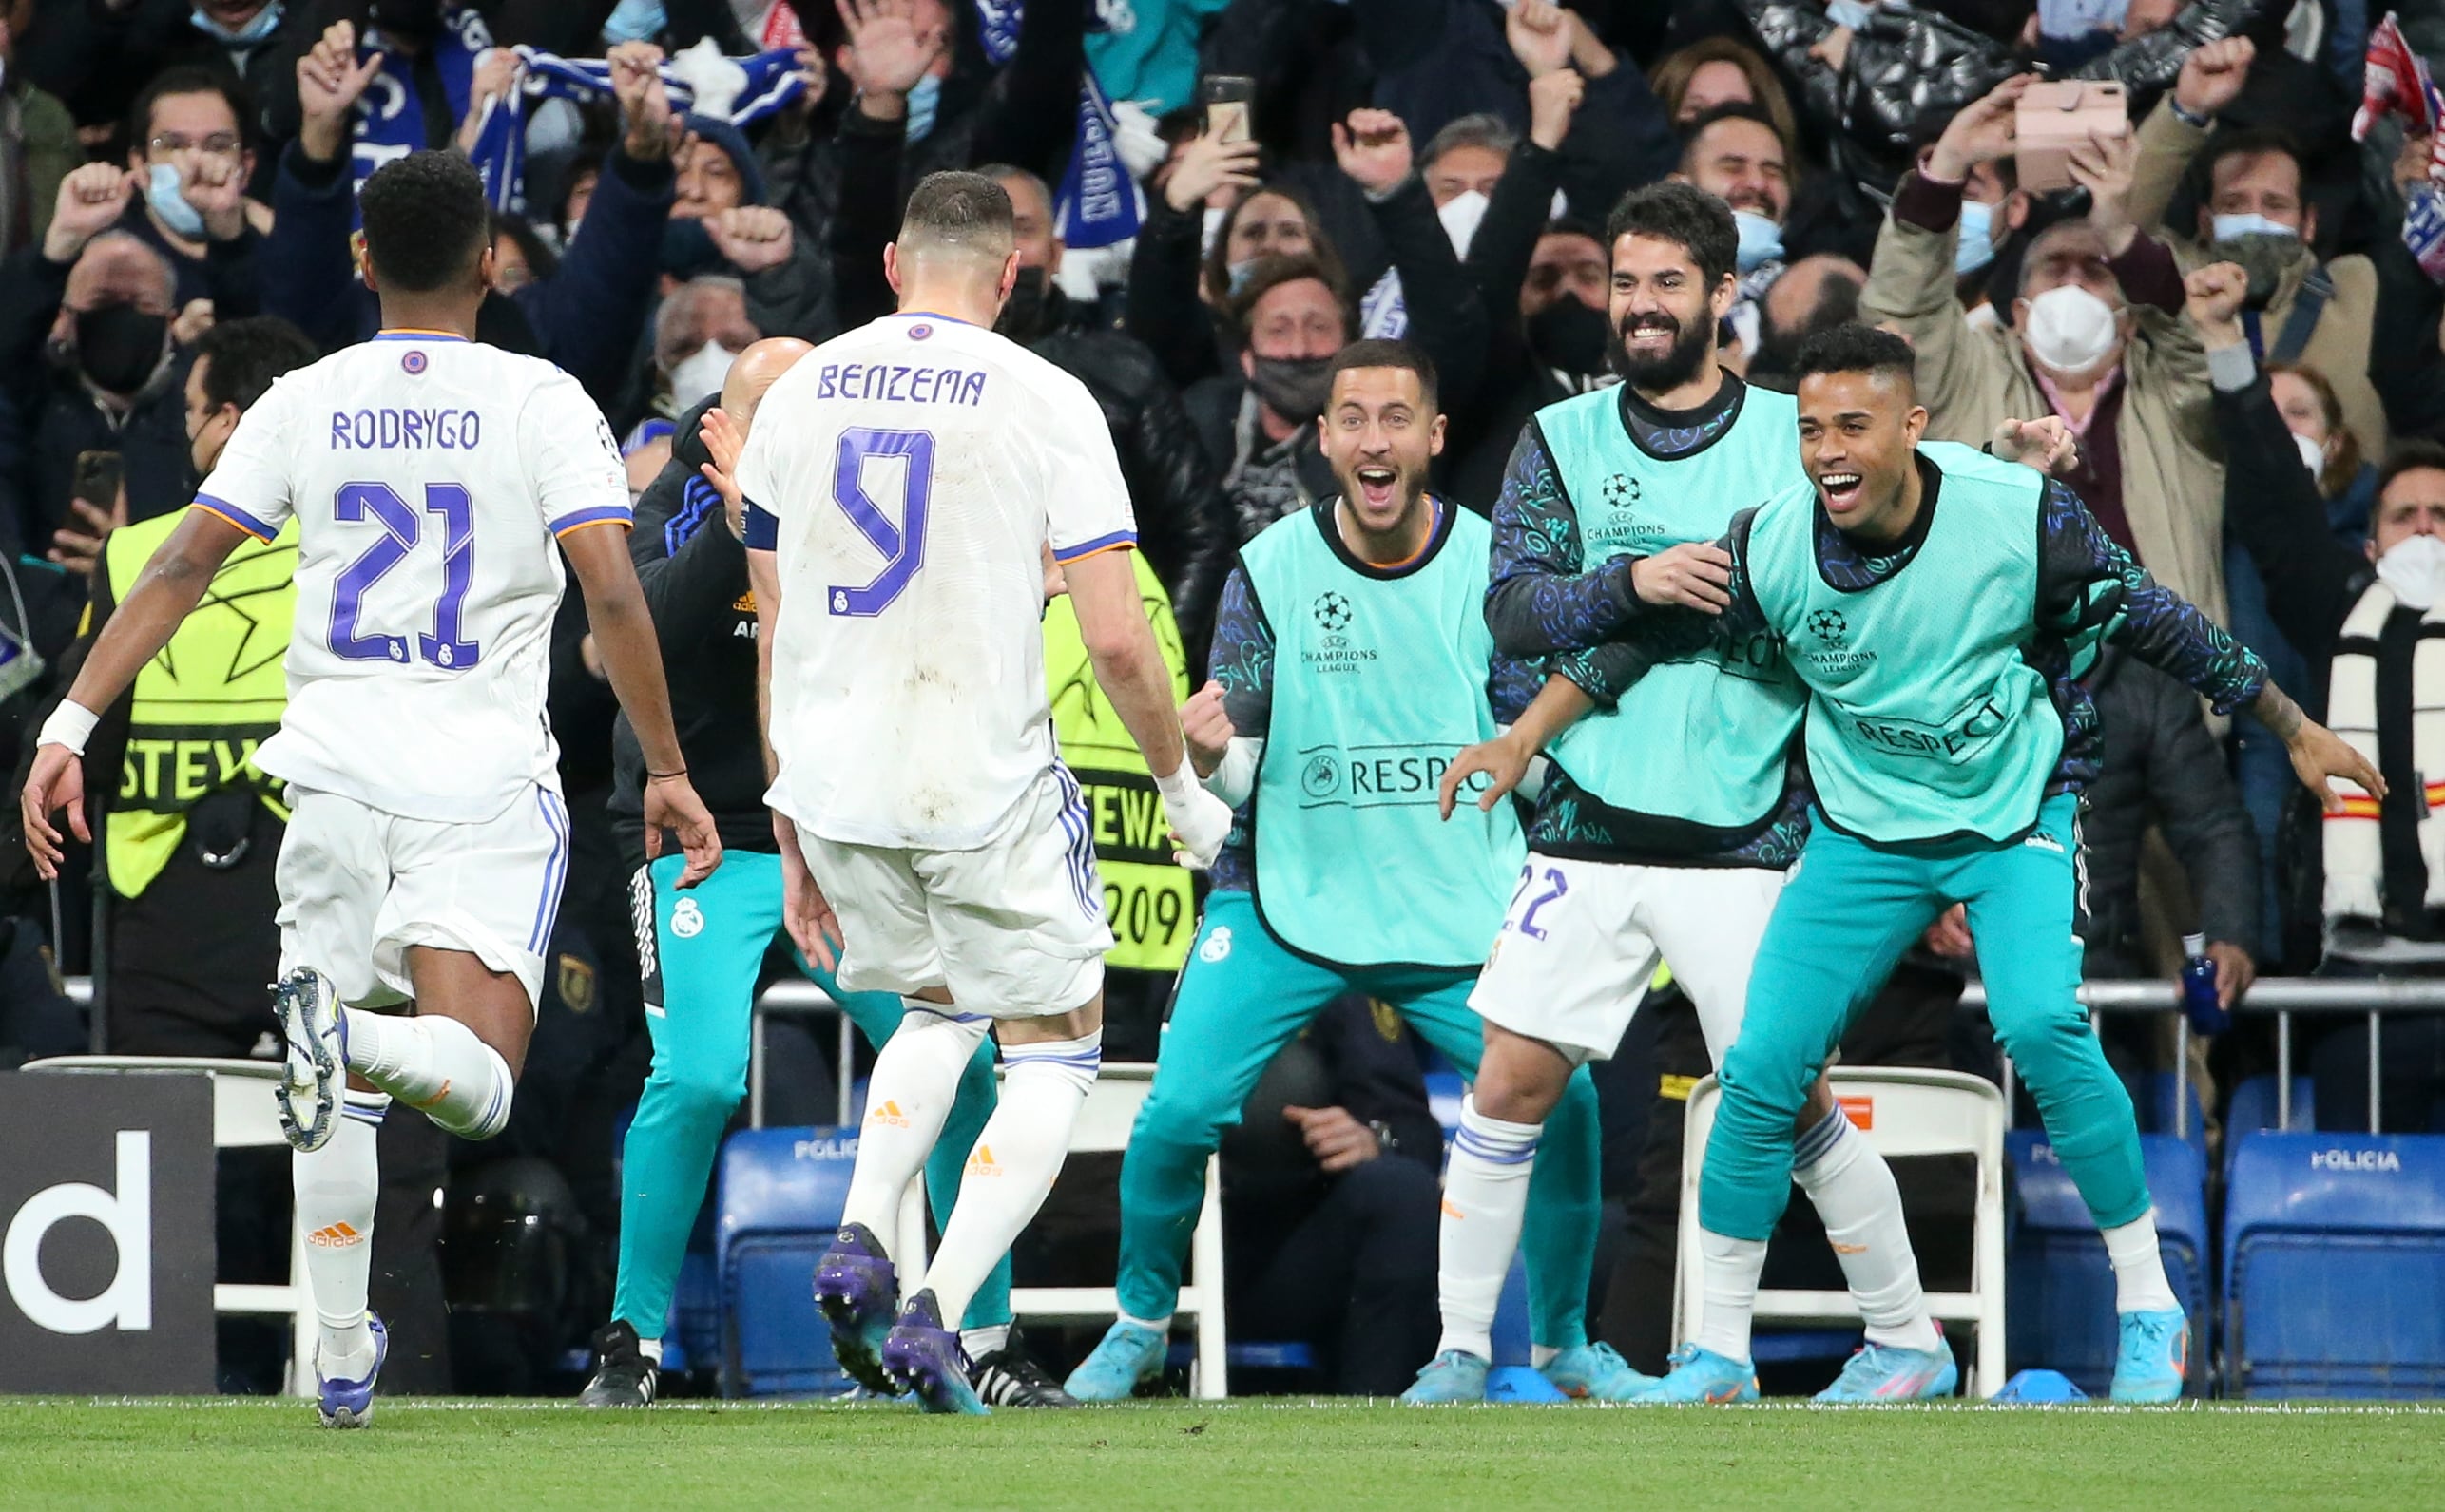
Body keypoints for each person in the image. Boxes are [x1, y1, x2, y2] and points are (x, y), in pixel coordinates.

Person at [17, 148, 722, 1428]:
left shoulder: (305, 396)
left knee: (329, 1073)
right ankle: (346, 1088)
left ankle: (342, 1345)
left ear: (359, 259)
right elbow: (613, 590)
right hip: (477, 780)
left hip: (330, 775)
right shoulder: (540, 398)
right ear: (493, 263)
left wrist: (69, 719)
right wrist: (666, 766)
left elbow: (178, 565)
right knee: (474, 1077)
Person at [1591, 323, 2373, 1405]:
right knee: (1761, 1065)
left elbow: (2160, 623)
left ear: (1911, 427)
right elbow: (1649, 645)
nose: (1826, 449)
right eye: (1810, 427)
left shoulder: (2017, 516)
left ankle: (2150, 1308)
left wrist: (2290, 728)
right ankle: (1723, 1354)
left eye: (1852, 425)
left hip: (2013, 812)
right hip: (1863, 827)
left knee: (2044, 1026)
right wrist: (1530, 725)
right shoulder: (1769, 544)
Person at [1415, 182, 1950, 1407]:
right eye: (1623, 281)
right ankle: (1456, 1352)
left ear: (1723, 296)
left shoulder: (1792, 434)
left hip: (1750, 833)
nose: (1641, 306)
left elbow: (1862, 592)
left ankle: (1901, 1337)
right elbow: (1512, 607)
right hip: (1588, 826)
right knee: (1511, 1077)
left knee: (1791, 1095)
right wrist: (1632, 580)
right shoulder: (1561, 438)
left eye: (1668, 283)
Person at [735, 171, 1232, 1416]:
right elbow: (1118, 640)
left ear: (896, 266)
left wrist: (787, 815)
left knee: (941, 1007)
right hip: (976, 775)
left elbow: (775, 620)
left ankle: (859, 1231)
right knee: (1061, 1046)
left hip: (838, 779)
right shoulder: (1048, 396)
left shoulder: (795, 389)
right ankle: (939, 1309)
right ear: (1009, 278)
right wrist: (1180, 789)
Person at [1064, 340, 1611, 1406]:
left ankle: (1563, 1345)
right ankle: (1136, 1324)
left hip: (1456, 910)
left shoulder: (1498, 567)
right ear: (1322, 439)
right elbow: (1237, 763)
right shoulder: (1268, 564)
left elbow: (1533, 739)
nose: (1373, 439)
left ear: (1433, 437)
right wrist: (1207, 749)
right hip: (1289, 902)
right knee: (1176, 1112)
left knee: (1574, 1102)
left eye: (1394, 418)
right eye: (1351, 418)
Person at [580, 339, 1066, 1409]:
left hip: (845, 832)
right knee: (700, 1075)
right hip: (700, 836)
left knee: (962, 1061)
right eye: (776, 410)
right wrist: (740, 517)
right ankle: (633, 1345)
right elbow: (632, 630)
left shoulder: (877, 472)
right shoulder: (684, 480)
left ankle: (982, 1337)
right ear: (731, 421)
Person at [2198, 259, 2445, 1128]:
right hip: (2357, 982)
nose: (2423, 530)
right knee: (2363, 1237)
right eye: (2403, 516)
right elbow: (2275, 499)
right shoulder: (2340, 609)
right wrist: (2228, 343)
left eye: (2441, 518)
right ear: (2369, 544)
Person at [1863, 74, 2229, 622]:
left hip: (2159, 676)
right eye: (2055, 271)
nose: (2074, 285)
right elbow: (1905, 306)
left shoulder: (2175, 395)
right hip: (2009, 669)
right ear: (2019, 313)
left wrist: (2118, 230)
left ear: (2129, 322)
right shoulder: (1969, 374)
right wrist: (1950, 164)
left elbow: (2192, 335)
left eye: (2096, 272)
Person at [77, 314, 318, 1059]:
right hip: (317, 891)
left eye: (189, 412)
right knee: (346, 1148)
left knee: (152, 1158)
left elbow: (84, 731)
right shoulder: (363, 550)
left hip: (160, 911)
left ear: (229, 421)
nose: (186, 435)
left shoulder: (134, 553)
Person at [2125, 37, 2387, 456]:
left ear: (2309, 223)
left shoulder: (2358, 288)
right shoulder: (2175, 282)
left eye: (2275, 204)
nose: (2255, 218)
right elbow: (2121, 223)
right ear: (2205, 222)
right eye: (2234, 203)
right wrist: (2186, 112)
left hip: (2342, 514)